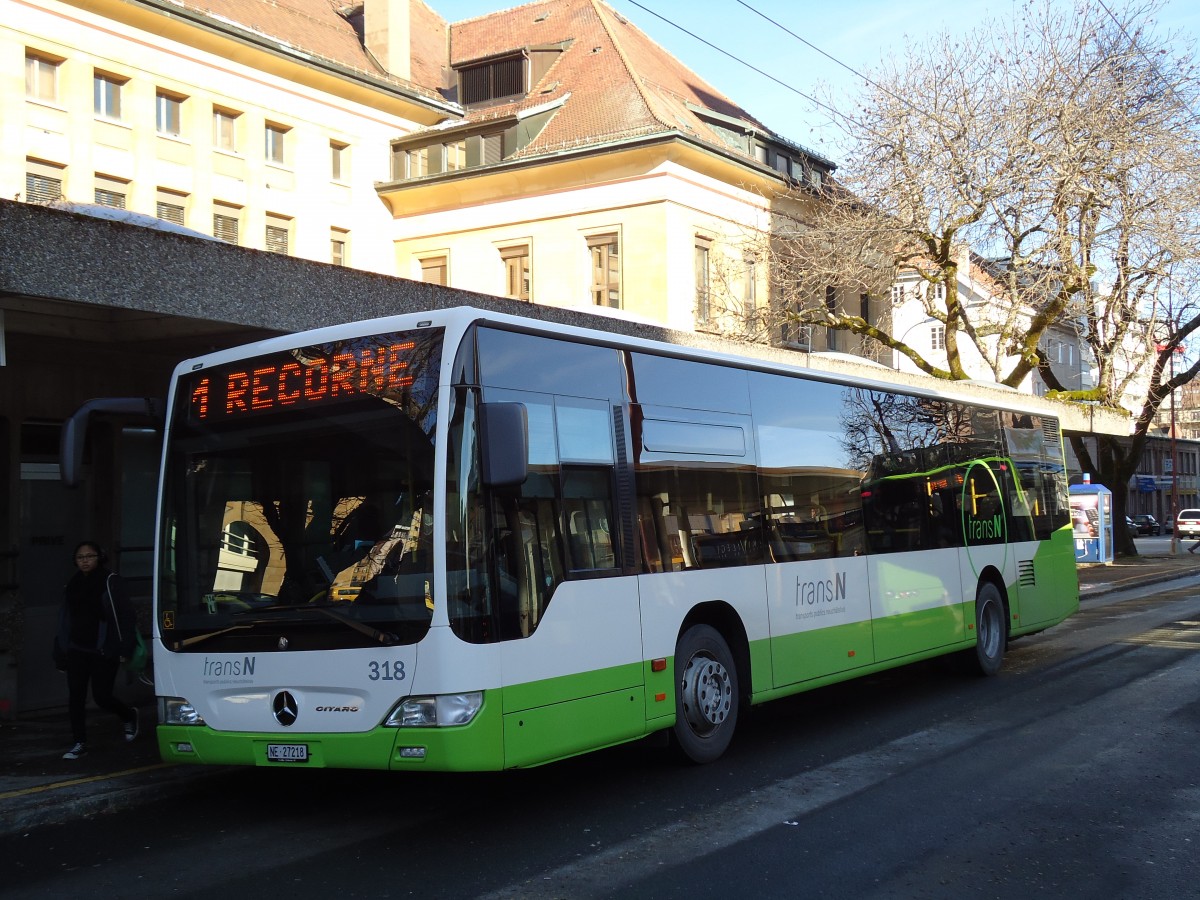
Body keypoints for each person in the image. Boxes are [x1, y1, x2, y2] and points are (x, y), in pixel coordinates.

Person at [53, 541, 140, 760]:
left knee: (101, 696)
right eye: (80, 557)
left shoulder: (111, 582)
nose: (84, 561)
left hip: (103, 648)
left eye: (89, 556)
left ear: (99, 557)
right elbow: (65, 619)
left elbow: (126, 616)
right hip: (76, 648)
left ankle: (129, 715)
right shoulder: (72, 584)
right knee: (76, 697)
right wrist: (60, 651)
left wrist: (124, 647)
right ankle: (79, 742)